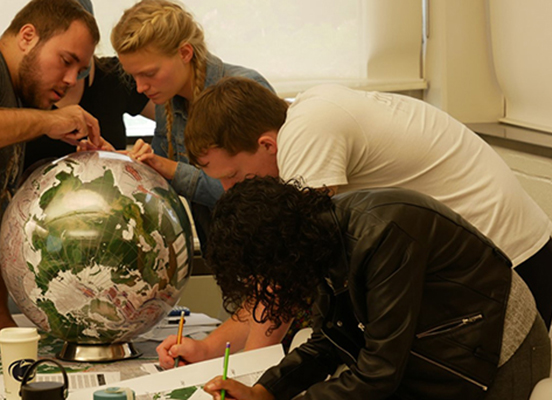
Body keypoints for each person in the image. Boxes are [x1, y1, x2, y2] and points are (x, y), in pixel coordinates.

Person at [154, 76, 552, 369]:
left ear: (266, 145)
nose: (227, 190)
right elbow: (273, 286)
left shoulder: (306, 137)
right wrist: (210, 350)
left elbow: (285, 283)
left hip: (513, 266)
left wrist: (249, 376)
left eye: (234, 176)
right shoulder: (303, 118)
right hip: (481, 264)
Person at [202, 177, 550, 400]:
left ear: (280, 254)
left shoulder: (383, 234)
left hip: (497, 352)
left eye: (262, 276)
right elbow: (329, 342)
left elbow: (379, 373)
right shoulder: (318, 239)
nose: (265, 288)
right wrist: (265, 391)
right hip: (435, 352)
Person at [0, 0, 102, 377]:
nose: (71, 80)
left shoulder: (12, 109)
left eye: (81, 70)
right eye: (66, 60)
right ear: (27, 36)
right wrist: (46, 122)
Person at [108, 0, 274, 249]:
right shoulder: (168, 101)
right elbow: (161, 177)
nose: (141, 88)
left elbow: (261, 192)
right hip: (221, 248)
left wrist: (170, 169)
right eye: (133, 76)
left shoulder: (244, 90)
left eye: (150, 74)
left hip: (267, 247)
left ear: (185, 53)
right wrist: (126, 163)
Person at [23, 0, 154, 171]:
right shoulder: (17, 86)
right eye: (66, 60)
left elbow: (176, 117)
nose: (70, 80)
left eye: (80, 66)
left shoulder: (116, 76)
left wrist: (140, 161)